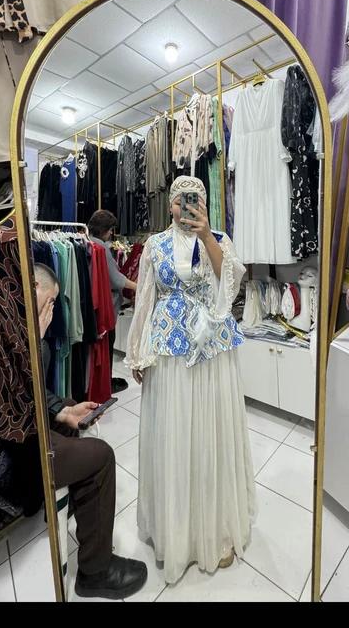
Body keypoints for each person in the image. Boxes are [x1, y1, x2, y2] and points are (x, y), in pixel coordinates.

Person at [124, 176, 256, 585]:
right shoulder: (154, 245)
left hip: (212, 347)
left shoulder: (219, 239)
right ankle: (176, 530)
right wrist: (136, 349)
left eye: (195, 198)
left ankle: (216, 529)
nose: (187, 206)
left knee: (211, 432)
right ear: (170, 205)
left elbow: (231, 283)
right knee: (175, 433)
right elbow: (145, 298)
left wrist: (208, 238)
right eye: (181, 200)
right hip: (170, 348)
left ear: (205, 202)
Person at [34, 263, 147, 600]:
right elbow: (20, 395)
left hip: (29, 425)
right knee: (101, 456)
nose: (53, 310)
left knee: (72, 406)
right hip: (21, 444)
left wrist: (62, 410)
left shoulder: (18, 330)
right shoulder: (17, 335)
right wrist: (35, 341)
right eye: (50, 301)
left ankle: (75, 505)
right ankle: (95, 571)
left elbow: (35, 393)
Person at [88, 210, 137, 393]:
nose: (111, 234)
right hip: (106, 307)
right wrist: (138, 286)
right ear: (105, 230)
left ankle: (100, 382)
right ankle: (105, 383)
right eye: (110, 230)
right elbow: (115, 279)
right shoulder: (100, 248)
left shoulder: (86, 242)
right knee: (107, 345)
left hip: (94, 306)